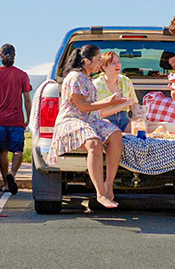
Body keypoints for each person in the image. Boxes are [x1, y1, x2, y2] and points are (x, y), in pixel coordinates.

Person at [48, 44, 128, 208]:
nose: (100, 63)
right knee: (94, 143)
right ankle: (100, 194)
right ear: (86, 61)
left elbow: (91, 108)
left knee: (116, 134)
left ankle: (108, 185)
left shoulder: (87, 78)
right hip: (72, 120)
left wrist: (114, 103)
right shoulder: (74, 78)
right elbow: (82, 106)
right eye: (98, 60)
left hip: (90, 120)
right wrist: (108, 101)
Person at [0, 43, 32, 195]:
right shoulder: (22, 75)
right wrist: (28, 119)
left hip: (0, 120)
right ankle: (12, 174)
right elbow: (27, 100)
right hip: (17, 119)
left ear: (0, 56)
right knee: (18, 151)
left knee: (3, 151)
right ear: (14, 56)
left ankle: (6, 183)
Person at [92, 51, 138, 132]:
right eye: (113, 63)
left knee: (147, 128)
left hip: (125, 120)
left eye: (118, 62)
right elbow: (100, 113)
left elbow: (134, 104)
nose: (118, 65)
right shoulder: (96, 85)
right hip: (106, 122)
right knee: (116, 135)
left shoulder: (126, 81)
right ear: (104, 67)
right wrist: (124, 104)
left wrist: (140, 113)